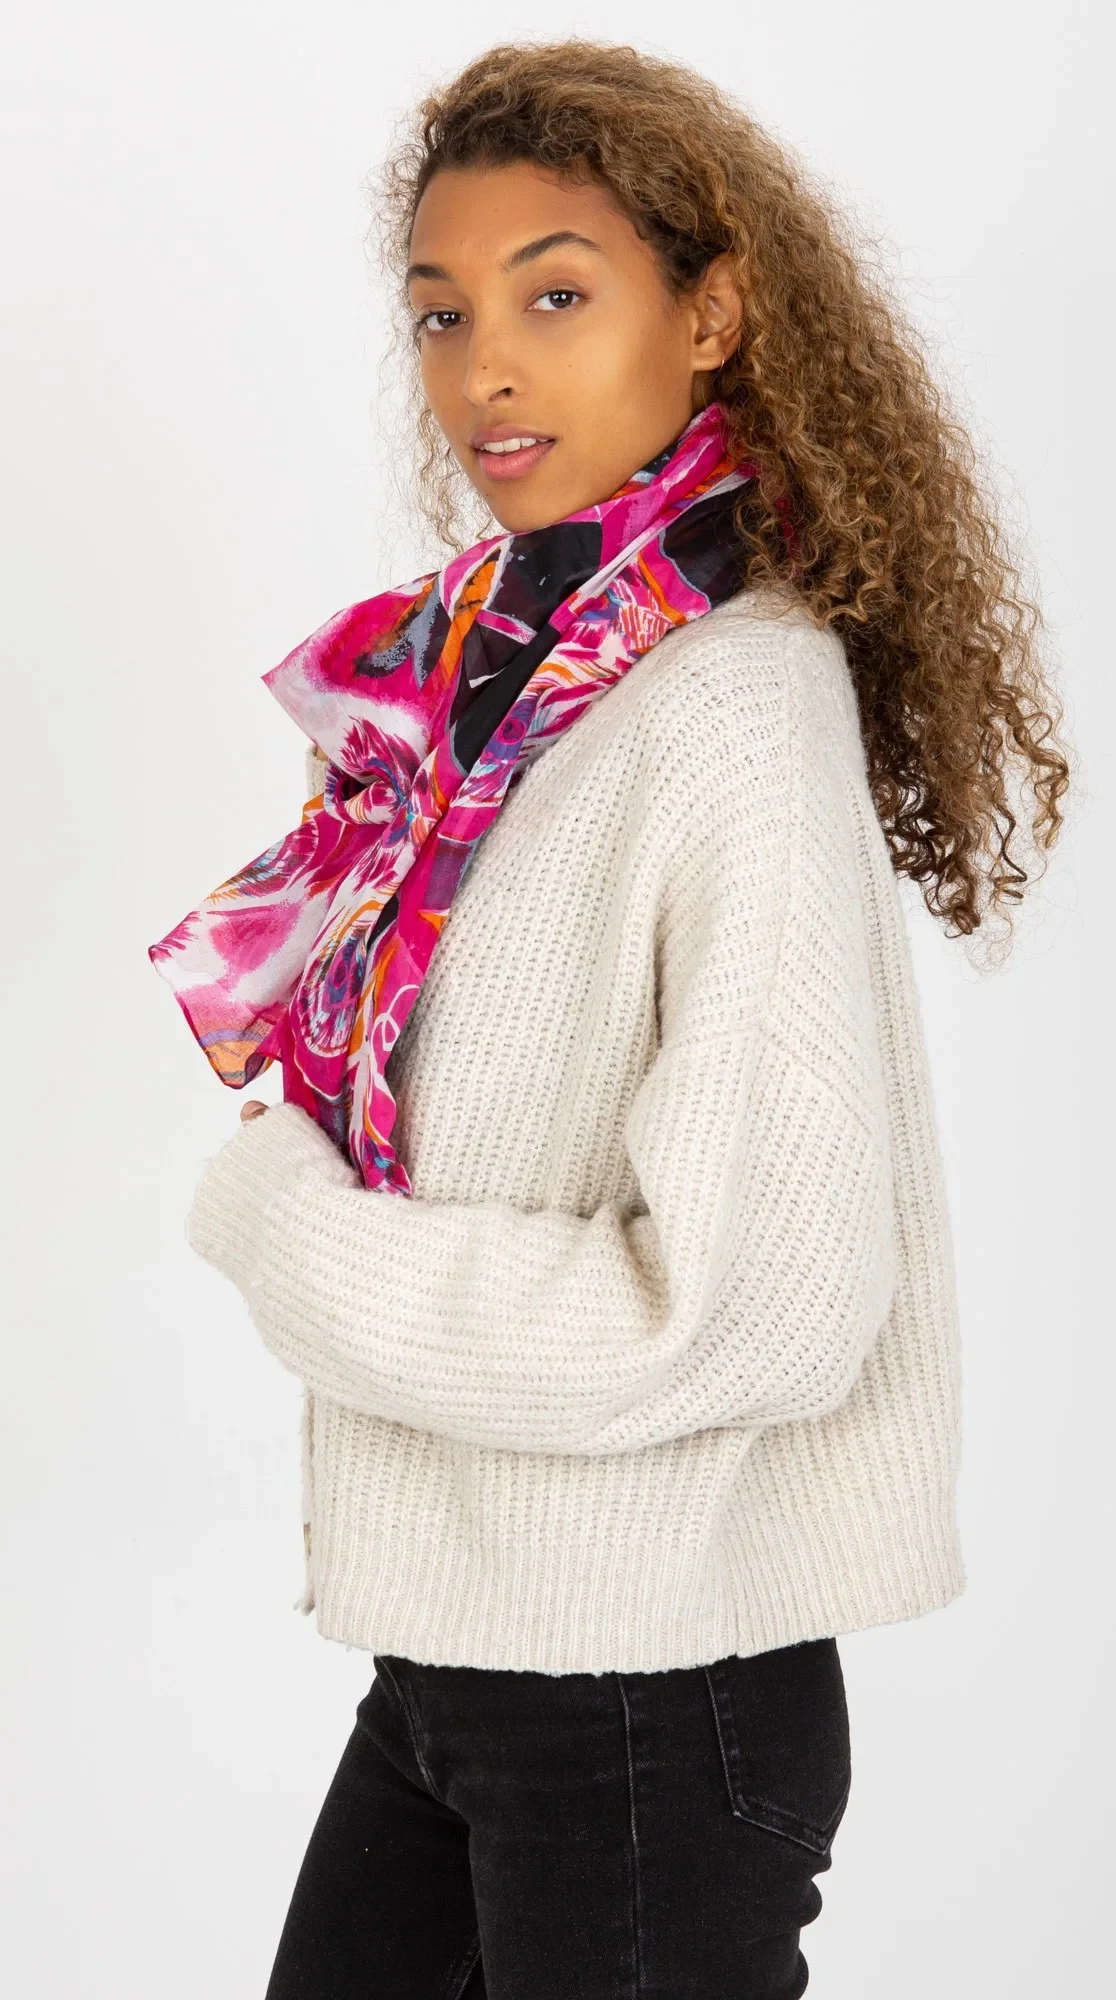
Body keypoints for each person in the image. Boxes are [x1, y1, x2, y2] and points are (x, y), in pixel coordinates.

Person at [149, 39, 1069, 2000]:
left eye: (555, 295)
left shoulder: (725, 706)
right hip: (468, 1664)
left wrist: (293, 1238)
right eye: (443, 314)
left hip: (648, 1697)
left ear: (710, 312)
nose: (486, 366)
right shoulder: (519, 687)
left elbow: (764, 1303)